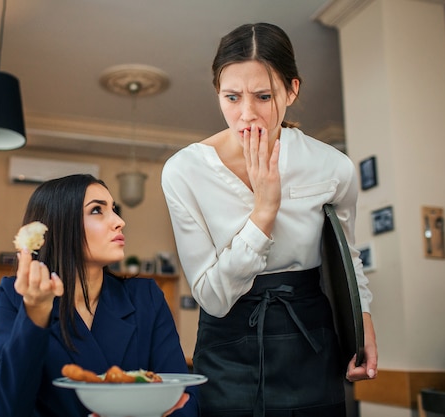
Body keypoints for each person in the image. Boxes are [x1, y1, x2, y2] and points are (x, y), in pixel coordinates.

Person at [161, 22, 378, 417]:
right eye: (231, 97)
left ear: (292, 90)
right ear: (217, 93)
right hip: (226, 343)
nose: (247, 115)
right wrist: (263, 213)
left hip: (310, 337)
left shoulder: (332, 167)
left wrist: (362, 324)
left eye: (263, 96)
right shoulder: (184, 171)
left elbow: (348, 259)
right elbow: (211, 296)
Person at [0, 174, 198, 417]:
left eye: (114, 210)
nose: (118, 221)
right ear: (60, 224)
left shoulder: (146, 298)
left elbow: (183, 400)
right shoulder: (15, 297)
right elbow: (4, 409)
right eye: (97, 210)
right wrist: (35, 312)